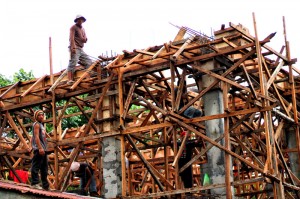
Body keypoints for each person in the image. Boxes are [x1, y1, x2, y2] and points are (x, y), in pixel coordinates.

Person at [67, 14, 93, 85]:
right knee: (73, 62)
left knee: (89, 62)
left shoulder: (83, 29)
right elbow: (71, 38)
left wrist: (85, 39)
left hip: (81, 49)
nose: (80, 21)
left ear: (83, 20)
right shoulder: (73, 27)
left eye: (81, 19)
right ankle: (69, 79)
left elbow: (85, 39)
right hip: (75, 47)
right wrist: (73, 47)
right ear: (76, 20)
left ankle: (88, 77)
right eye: (79, 19)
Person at [31, 110, 49, 190]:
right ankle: (34, 183)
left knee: (44, 168)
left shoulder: (41, 125)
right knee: (36, 166)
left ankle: (45, 186)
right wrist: (40, 148)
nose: (41, 116)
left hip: (43, 149)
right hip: (39, 149)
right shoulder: (37, 124)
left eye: (42, 115)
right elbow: (36, 137)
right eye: (39, 115)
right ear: (36, 117)